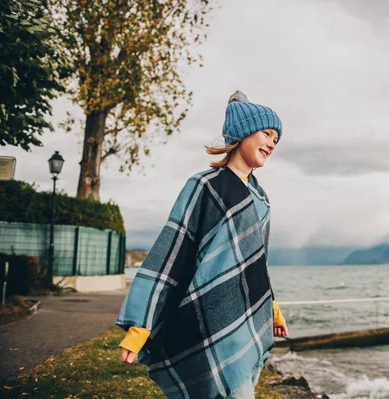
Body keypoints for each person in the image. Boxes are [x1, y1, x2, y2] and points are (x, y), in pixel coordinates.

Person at [115, 90, 289, 399]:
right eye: (266, 133)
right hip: (205, 316)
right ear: (243, 133)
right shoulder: (205, 186)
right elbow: (171, 252)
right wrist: (140, 326)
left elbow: (257, 262)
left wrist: (272, 309)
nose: (272, 143)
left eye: (276, 138)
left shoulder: (262, 200)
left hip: (248, 320)